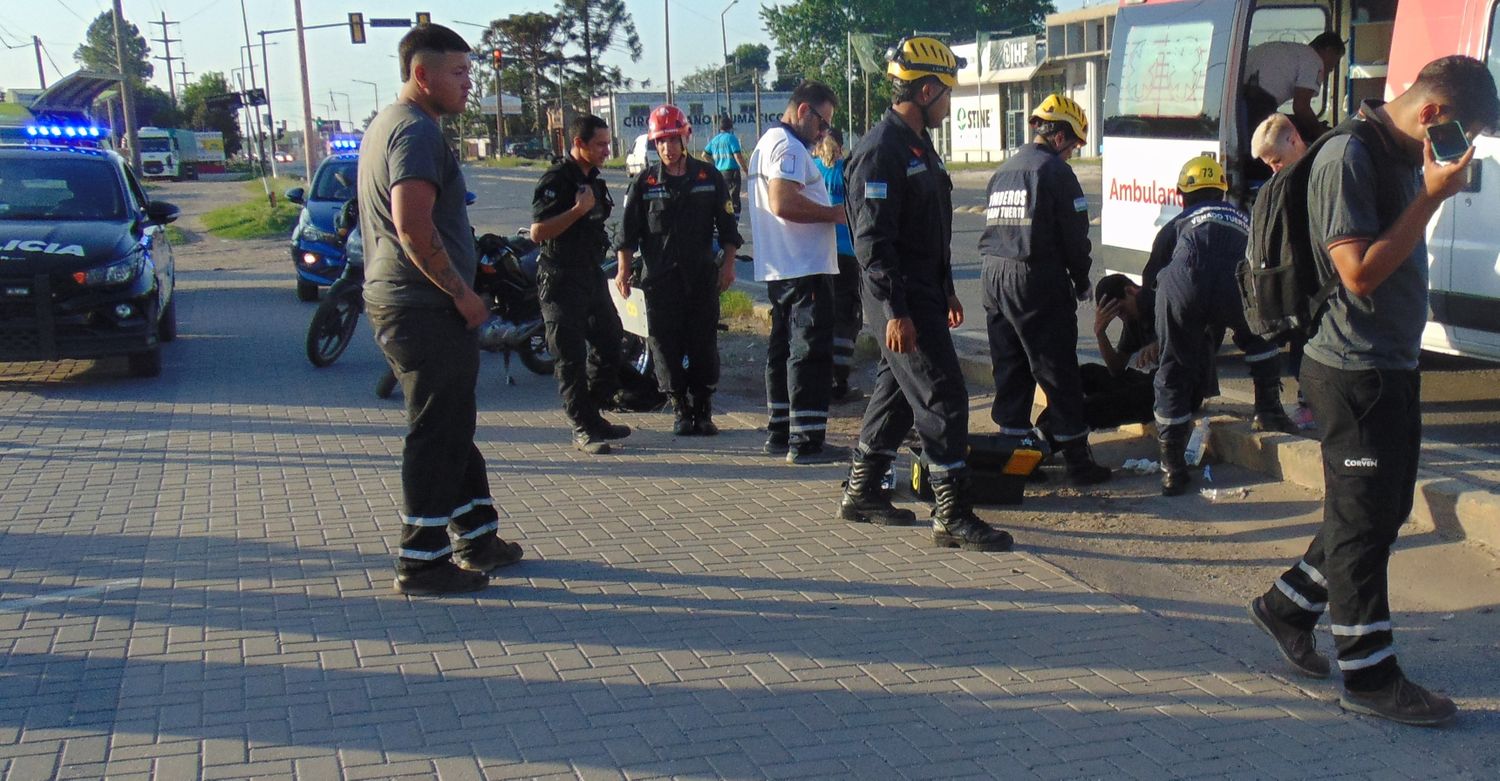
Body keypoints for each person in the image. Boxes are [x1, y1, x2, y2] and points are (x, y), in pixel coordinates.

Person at [1248, 55, 1498, 727]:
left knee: (1378, 512)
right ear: (1434, 115)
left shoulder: (1394, 153)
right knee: (1363, 525)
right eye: (1459, 134)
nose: (1456, 151)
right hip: (1351, 374)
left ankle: (1286, 606)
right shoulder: (1347, 159)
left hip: (1389, 366)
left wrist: (1424, 190)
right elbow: (1356, 272)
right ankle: (1369, 675)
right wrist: (1431, 196)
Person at [359, 23, 522, 596]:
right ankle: (421, 559)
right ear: (421, 74)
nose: (468, 84)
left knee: (451, 421)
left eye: (470, 71)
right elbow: (411, 224)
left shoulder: (387, 122)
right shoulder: (417, 133)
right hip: (424, 304)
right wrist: (462, 292)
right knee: (436, 430)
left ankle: (478, 536)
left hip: (403, 300)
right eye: (458, 72)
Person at [841, 35, 1013, 552]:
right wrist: (895, 310)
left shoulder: (917, 145)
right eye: (947, 94)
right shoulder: (881, 151)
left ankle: (862, 490)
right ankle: (952, 514)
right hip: (899, 299)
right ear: (925, 90)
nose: (950, 103)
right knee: (943, 394)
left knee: (897, 394)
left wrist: (944, 290)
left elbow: (926, 228)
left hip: (922, 294)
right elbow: (874, 243)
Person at [978, 93, 1111, 485]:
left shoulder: (1003, 170)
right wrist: (1082, 277)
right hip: (1033, 278)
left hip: (993, 276)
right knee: (1057, 370)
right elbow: (1075, 234)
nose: (1072, 152)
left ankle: (1017, 460)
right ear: (1060, 136)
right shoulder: (1053, 172)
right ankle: (1078, 462)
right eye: (1073, 144)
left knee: (1011, 368)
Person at [1152, 155, 1294, 495]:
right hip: (1236, 281)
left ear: (1182, 196)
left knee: (1172, 367)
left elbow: (1153, 276)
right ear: (1222, 193)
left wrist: (1157, 333)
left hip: (1186, 280)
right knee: (1261, 338)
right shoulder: (1242, 218)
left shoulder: (1177, 223)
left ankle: (1172, 468)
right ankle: (1268, 410)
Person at [614, 105, 743, 436]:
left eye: (672, 140)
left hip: (701, 278)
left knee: (703, 344)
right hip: (659, 281)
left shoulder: (708, 177)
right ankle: (679, 409)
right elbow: (627, 234)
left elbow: (729, 229)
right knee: (664, 346)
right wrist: (623, 271)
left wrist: (727, 267)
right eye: (660, 142)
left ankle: (703, 408)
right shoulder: (645, 183)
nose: (667, 149)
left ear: (685, 138)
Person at [746, 80, 848, 465]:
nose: (824, 132)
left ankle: (781, 430)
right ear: (803, 110)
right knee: (808, 351)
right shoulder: (788, 147)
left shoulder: (767, 143)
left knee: (783, 349)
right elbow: (782, 201)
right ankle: (806, 441)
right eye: (822, 123)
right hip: (802, 267)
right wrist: (836, 214)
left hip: (781, 266)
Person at [530, 115, 631, 455]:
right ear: (579, 144)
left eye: (607, 142)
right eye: (600, 144)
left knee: (611, 341)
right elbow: (538, 232)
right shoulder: (558, 180)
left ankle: (594, 413)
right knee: (569, 357)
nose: (607, 149)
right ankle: (581, 427)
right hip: (560, 279)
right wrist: (576, 210)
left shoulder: (595, 180)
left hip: (590, 275)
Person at [1252, 112, 1317, 430]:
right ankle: (1308, 401)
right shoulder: (1291, 177)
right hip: (1301, 279)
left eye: (1276, 160)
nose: (1274, 170)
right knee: (1302, 340)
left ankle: (1312, 403)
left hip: (1321, 277)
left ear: (1294, 140)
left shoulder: (1321, 168)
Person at [1043, 274, 1160, 433]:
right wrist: (1100, 332)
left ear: (1131, 291)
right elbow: (1116, 369)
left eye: (1122, 310)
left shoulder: (1160, 302)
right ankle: (1045, 426)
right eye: (1118, 314)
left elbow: (1195, 338)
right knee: (1085, 374)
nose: (1123, 317)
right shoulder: (1132, 319)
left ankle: (1049, 435)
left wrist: (1161, 345)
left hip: (1175, 389)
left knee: (1106, 404)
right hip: (1153, 381)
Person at [813, 128, 862, 401]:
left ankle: (820, 377)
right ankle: (839, 381)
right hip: (848, 251)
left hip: (820, 253)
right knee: (847, 316)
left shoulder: (812, 169)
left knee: (822, 314)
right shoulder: (848, 170)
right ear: (842, 146)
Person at [1244, 32, 1346, 142]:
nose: (1333, 68)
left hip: (1242, 107)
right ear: (1329, 50)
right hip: (1257, 110)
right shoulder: (1314, 60)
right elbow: (1301, 107)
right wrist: (1321, 134)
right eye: (1336, 60)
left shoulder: (1291, 51)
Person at [705, 115, 748, 216]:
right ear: (730, 127)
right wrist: (746, 170)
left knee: (723, 197)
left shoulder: (715, 140)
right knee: (734, 200)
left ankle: (724, 219)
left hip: (720, 172)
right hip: (732, 172)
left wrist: (715, 164)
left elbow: (705, 154)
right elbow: (738, 156)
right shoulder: (731, 138)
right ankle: (733, 223)